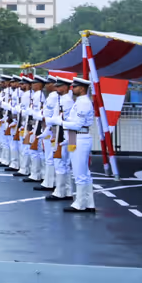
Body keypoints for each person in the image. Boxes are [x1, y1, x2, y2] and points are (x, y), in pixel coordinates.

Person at [61, 78, 97, 213]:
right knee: (83, 172)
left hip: (80, 137)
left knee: (79, 172)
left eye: (74, 87)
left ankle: (80, 204)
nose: (72, 89)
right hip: (75, 137)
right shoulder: (79, 102)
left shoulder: (84, 103)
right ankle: (88, 203)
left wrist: (60, 122)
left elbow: (77, 125)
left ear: (82, 88)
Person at [46, 77, 75, 202]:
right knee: (65, 164)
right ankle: (67, 191)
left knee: (60, 163)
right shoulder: (62, 99)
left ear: (65, 87)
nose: (56, 88)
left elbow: (66, 120)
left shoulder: (66, 101)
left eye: (59, 86)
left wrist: (53, 120)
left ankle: (60, 191)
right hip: (63, 132)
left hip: (64, 134)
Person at [38, 77, 61, 191]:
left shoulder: (53, 97)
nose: (46, 85)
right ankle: (48, 181)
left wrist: (43, 119)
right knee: (49, 156)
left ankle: (50, 182)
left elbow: (51, 115)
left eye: (48, 83)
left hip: (50, 129)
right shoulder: (52, 96)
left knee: (50, 157)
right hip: (48, 127)